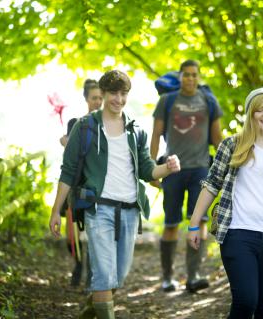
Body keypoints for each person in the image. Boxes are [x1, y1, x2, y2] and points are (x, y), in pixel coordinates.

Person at [49, 70, 181, 319]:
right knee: (104, 276)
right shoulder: (85, 127)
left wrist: (168, 168)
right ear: (104, 93)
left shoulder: (135, 130)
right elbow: (67, 172)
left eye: (123, 94)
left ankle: (93, 307)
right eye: (113, 93)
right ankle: (101, 307)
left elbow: (146, 170)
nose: (118, 99)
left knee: (117, 276)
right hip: (98, 210)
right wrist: (56, 210)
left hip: (130, 211)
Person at [188, 86, 263, 319]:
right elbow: (211, 185)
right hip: (237, 234)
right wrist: (193, 224)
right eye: (259, 110)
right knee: (246, 301)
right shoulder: (232, 145)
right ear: (251, 115)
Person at [150, 59, 223, 292]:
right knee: (171, 223)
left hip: (201, 168)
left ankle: (193, 275)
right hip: (172, 169)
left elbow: (218, 139)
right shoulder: (167, 101)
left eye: (194, 75)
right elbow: (155, 135)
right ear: (179, 77)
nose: (190, 78)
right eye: (186, 75)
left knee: (198, 222)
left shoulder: (209, 101)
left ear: (198, 77)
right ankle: (167, 277)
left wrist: (226, 170)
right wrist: (151, 168)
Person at [60, 79, 103, 288]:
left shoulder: (108, 123)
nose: (98, 102)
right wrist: (67, 143)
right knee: (72, 234)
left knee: (96, 230)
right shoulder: (74, 122)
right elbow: (70, 157)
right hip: (76, 183)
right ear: (86, 99)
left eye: (100, 98)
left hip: (97, 185)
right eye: (94, 98)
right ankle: (78, 264)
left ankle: (91, 274)